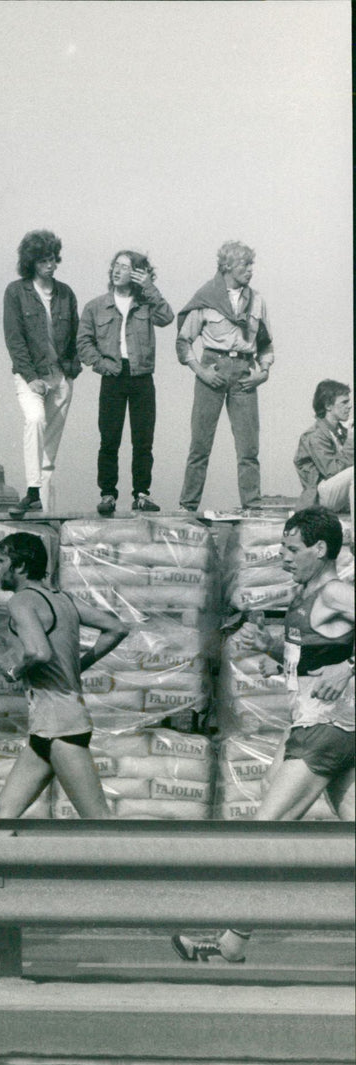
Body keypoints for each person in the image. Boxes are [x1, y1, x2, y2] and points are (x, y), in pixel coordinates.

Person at [173, 507, 354, 964]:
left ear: (321, 549)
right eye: (282, 547)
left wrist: (349, 665)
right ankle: (234, 940)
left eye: (293, 549)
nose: (283, 556)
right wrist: (269, 647)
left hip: (327, 726)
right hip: (319, 723)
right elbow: (312, 653)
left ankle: (231, 937)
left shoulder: (334, 591)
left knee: (263, 835)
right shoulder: (305, 594)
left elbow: (337, 659)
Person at [0, 531, 128, 949]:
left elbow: (40, 653)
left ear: (20, 565)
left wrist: (18, 669)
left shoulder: (23, 601)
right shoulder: (61, 599)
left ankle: (173, 906)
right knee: (1, 816)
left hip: (60, 726)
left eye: (1, 561)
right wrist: (79, 664)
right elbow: (117, 627)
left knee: (102, 829)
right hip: (48, 727)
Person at [176, 240, 274, 513]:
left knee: (248, 449)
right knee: (200, 445)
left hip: (244, 373)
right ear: (227, 266)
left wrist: (262, 373)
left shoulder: (257, 300)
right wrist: (201, 371)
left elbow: (265, 343)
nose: (250, 270)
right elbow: (184, 341)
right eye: (245, 264)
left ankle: (253, 507)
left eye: (251, 264)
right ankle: (188, 507)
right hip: (213, 370)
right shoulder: (206, 296)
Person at [77, 250, 173, 516]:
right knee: (109, 439)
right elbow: (83, 342)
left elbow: (167, 317)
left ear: (137, 273)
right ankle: (107, 494)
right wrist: (101, 364)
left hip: (141, 375)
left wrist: (149, 288)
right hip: (112, 376)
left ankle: (141, 494)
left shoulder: (145, 303)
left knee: (143, 440)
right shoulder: (95, 306)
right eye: (115, 266)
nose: (117, 270)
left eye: (125, 267)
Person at [3, 230, 81, 517]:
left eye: (53, 259)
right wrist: (31, 376)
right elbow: (14, 338)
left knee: (49, 454)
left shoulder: (66, 293)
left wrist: (71, 373)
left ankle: (43, 515)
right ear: (31, 262)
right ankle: (32, 490)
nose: (50, 265)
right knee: (34, 419)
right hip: (30, 376)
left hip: (61, 377)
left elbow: (75, 335)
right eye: (43, 260)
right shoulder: (16, 292)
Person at [294, 380, 353, 526]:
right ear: (328, 406)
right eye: (344, 402)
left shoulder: (340, 431)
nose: (349, 406)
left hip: (337, 492)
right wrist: (351, 441)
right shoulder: (314, 435)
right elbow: (332, 471)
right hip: (320, 496)